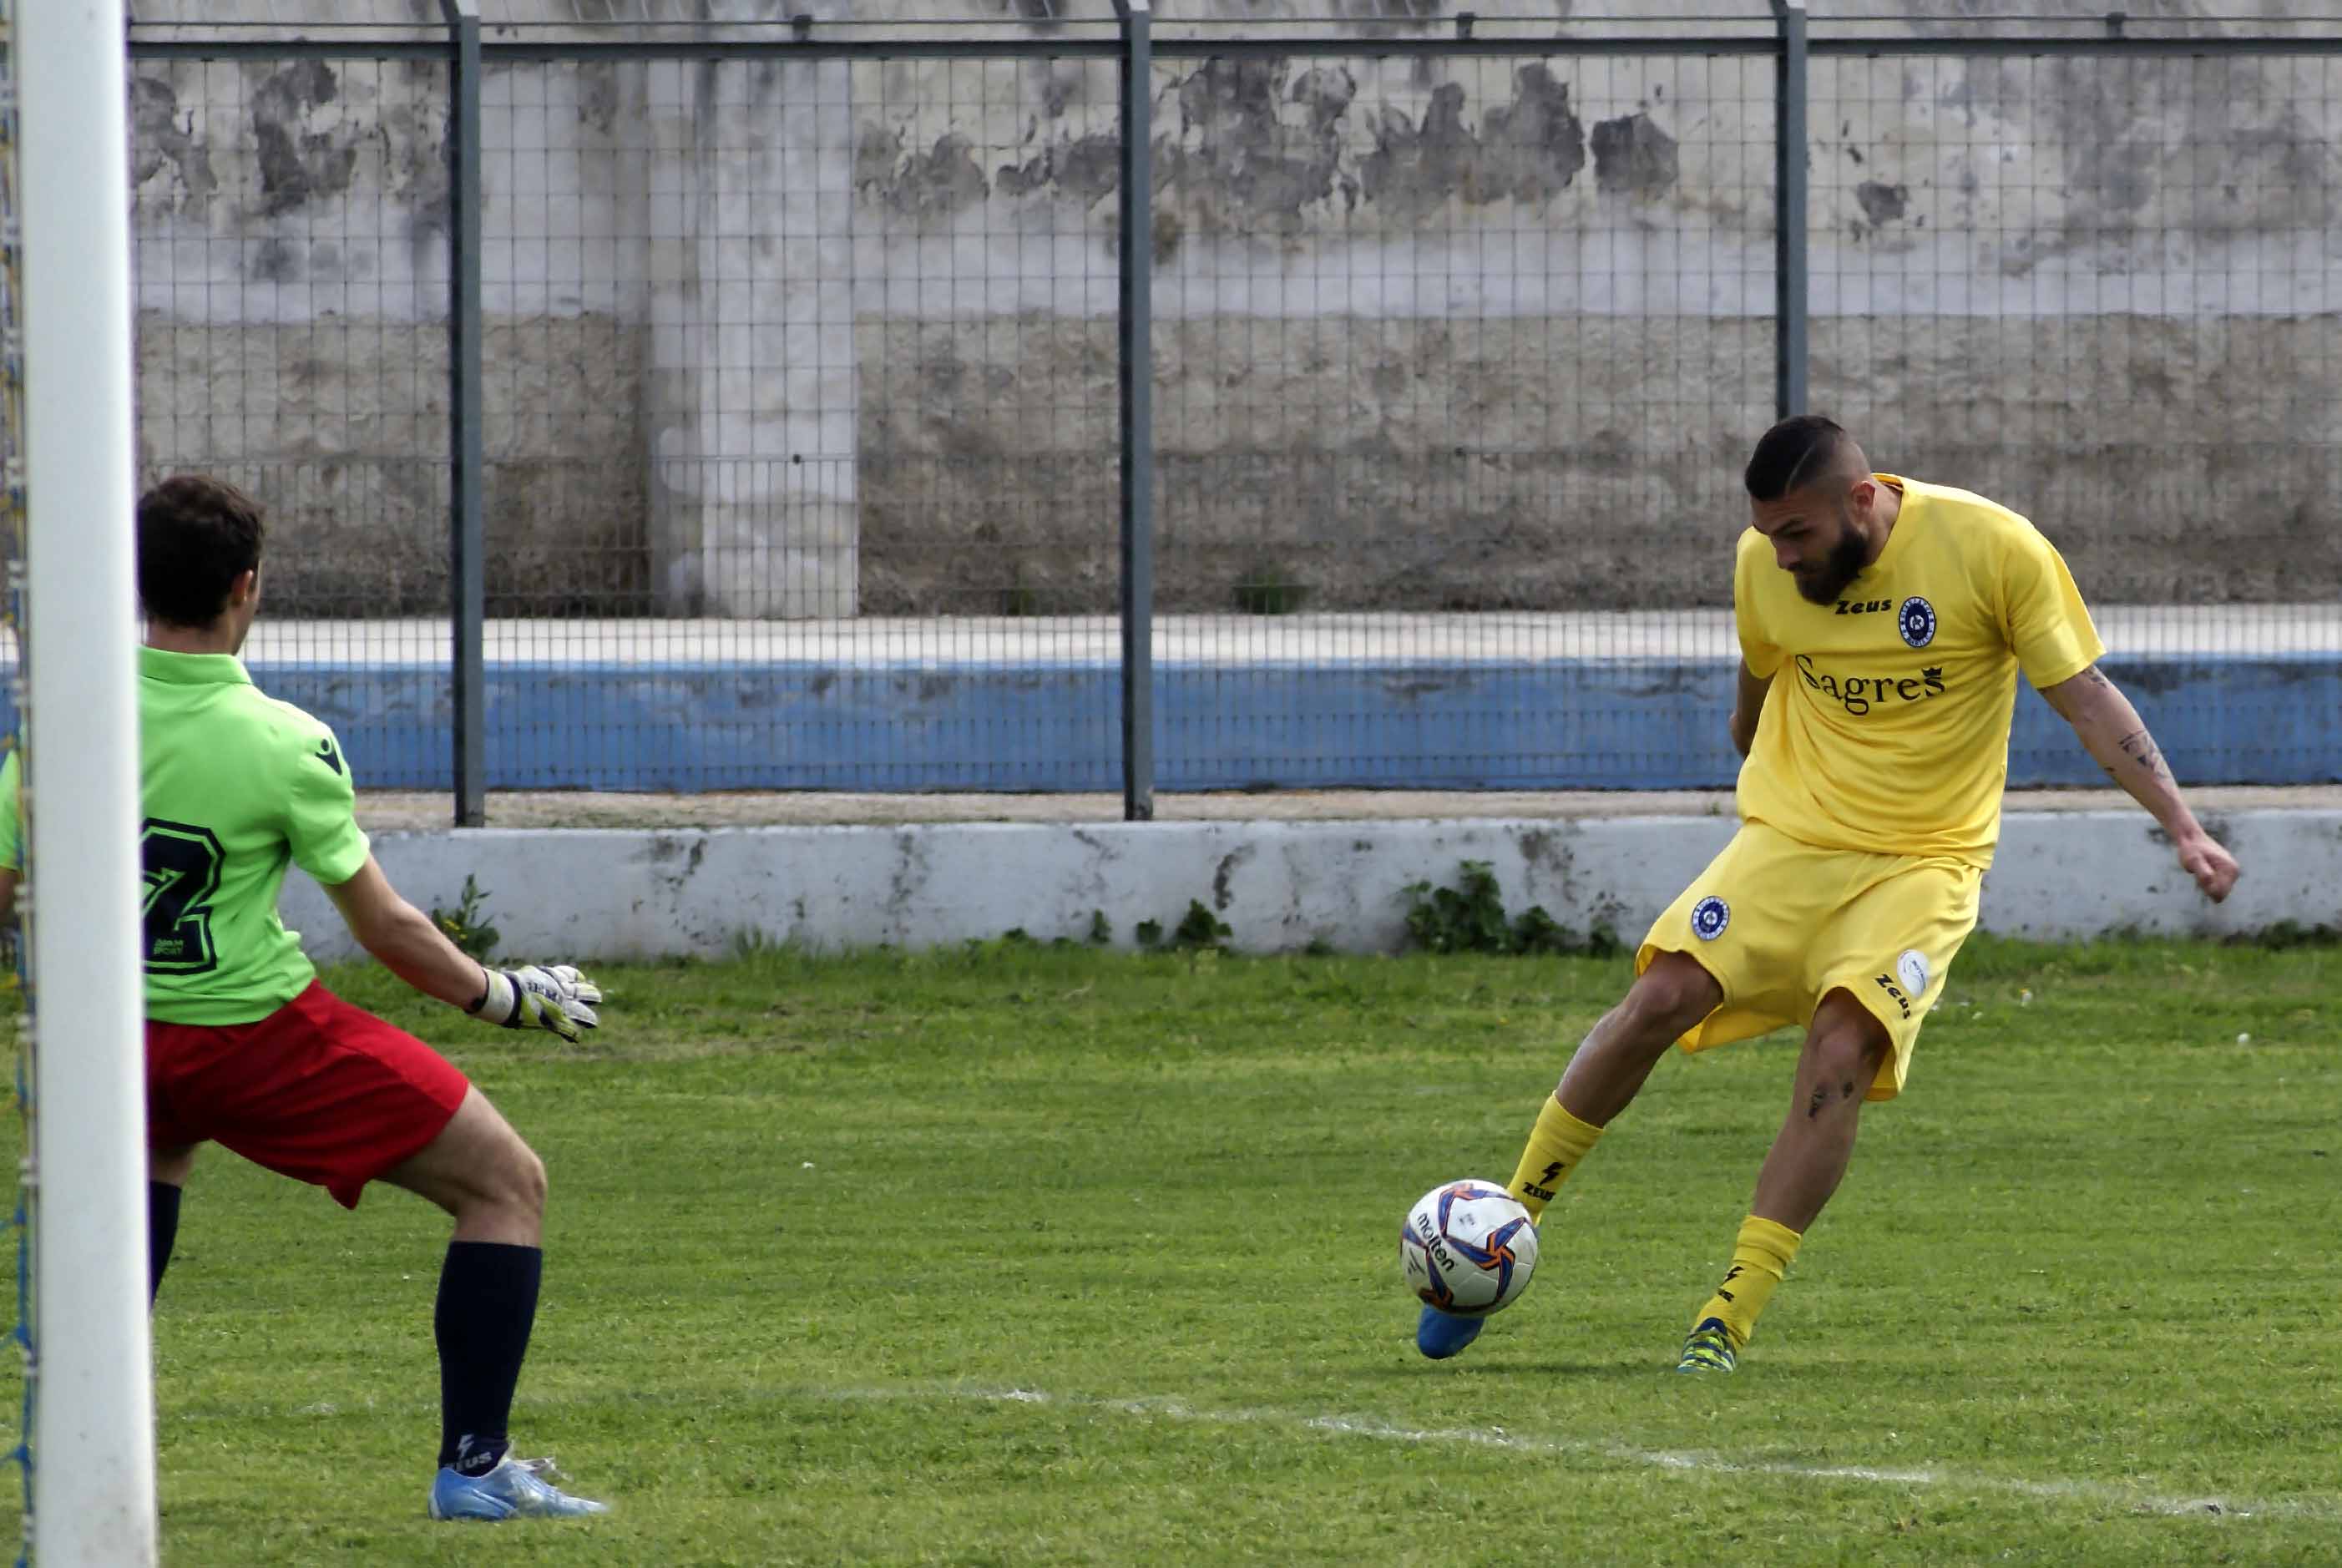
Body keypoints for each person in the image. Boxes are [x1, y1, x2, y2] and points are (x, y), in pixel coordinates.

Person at [1415, 414, 2242, 1373]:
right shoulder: (1765, 563)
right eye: (1767, 536)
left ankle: (1727, 1315)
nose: (1782, 556)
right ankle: (1499, 1228)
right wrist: (1752, 747)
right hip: (1796, 839)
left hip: (1925, 861)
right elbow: (1757, 682)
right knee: (1659, 995)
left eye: (1797, 535)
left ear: (1861, 501)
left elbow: (2086, 695)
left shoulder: (1992, 549)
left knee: (1843, 1041)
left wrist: (2182, 826)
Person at [0, 473, 611, 1519]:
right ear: (247, 587)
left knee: (150, 1158)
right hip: (253, 1040)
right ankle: (475, 1469)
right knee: (506, 1183)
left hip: (111, 1041)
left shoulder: (59, 722)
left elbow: (11, 893)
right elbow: (387, 930)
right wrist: (500, 996)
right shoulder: (284, 740)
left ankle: (73, 1450)